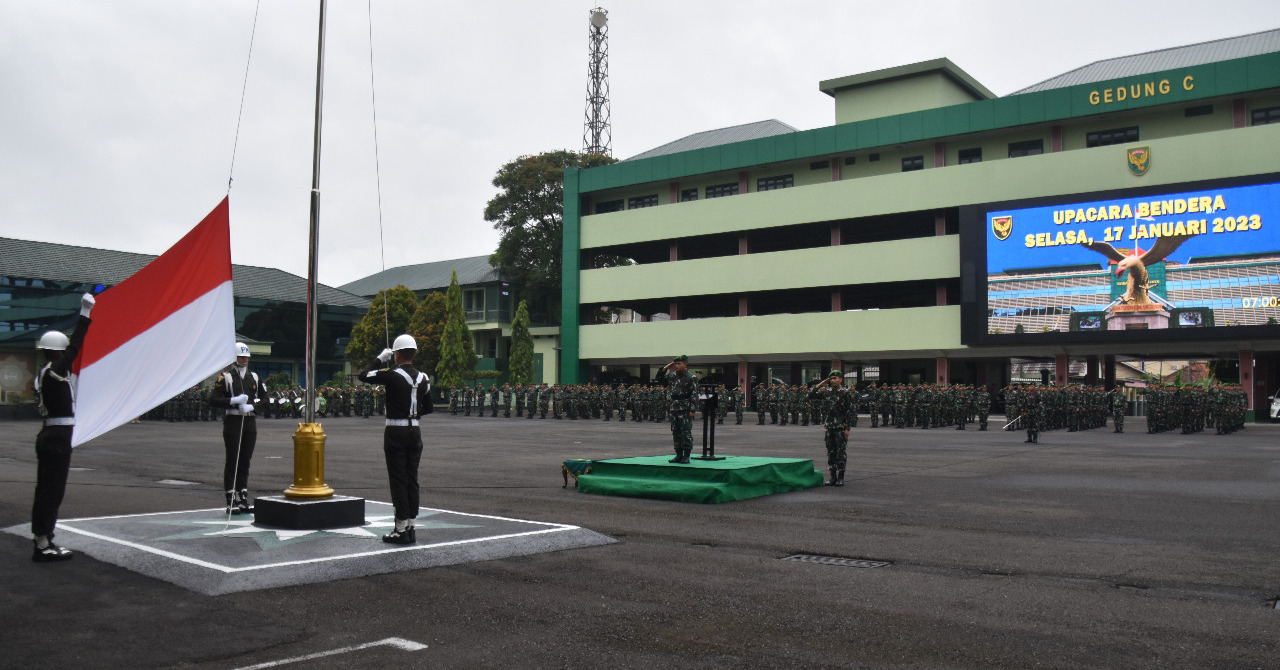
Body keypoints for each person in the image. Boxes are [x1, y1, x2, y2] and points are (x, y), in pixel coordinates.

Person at [31, 292, 95, 562]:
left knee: (45, 490)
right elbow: (76, 344)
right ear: (57, 351)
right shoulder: (56, 370)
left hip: (50, 435)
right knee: (52, 492)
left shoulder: (45, 373)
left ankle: (43, 539)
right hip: (57, 438)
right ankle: (44, 544)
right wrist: (85, 313)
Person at [361, 334, 432, 544]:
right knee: (412, 479)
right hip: (415, 431)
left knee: (398, 480)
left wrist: (380, 359)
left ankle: (400, 529)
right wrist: (413, 415)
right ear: (415, 353)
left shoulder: (392, 375)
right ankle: (411, 527)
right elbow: (428, 407)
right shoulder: (424, 378)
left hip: (395, 431)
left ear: (397, 354)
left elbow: (363, 375)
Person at [209, 342, 264, 515]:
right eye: (241, 357)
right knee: (233, 459)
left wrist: (252, 407)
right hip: (233, 420)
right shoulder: (225, 378)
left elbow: (265, 399)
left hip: (249, 420)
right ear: (234, 358)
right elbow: (213, 400)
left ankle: (242, 495)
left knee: (245, 460)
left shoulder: (254, 377)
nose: (245, 360)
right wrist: (233, 401)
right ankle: (231, 498)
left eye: (246, 357)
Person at [810, 370, 856, 486]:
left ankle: (841, 477)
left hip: (840, 427)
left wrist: (848, 428)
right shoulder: (826, 392)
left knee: (840, 453)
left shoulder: (845, 393)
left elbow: (850, 411)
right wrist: (822, 382)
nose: (833, 381)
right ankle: (832, 477)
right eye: (831, 379)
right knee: (831, 452)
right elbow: (810, 395)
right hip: (829, 427)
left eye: (835, 378)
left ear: (840, 379)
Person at [661, 355, 698, 464]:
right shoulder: (672, 375)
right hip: (674, 407)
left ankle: (686, 455)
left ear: (685, 364)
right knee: (675, 431)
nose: (677, 366)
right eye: (675, 364)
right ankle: (678, 454)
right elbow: (659, 378)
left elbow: (694, 394)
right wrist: (666, 368)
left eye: (679, 364)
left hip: (685, 407)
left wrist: (692, 410)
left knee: (685, 432)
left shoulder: (691, 377)